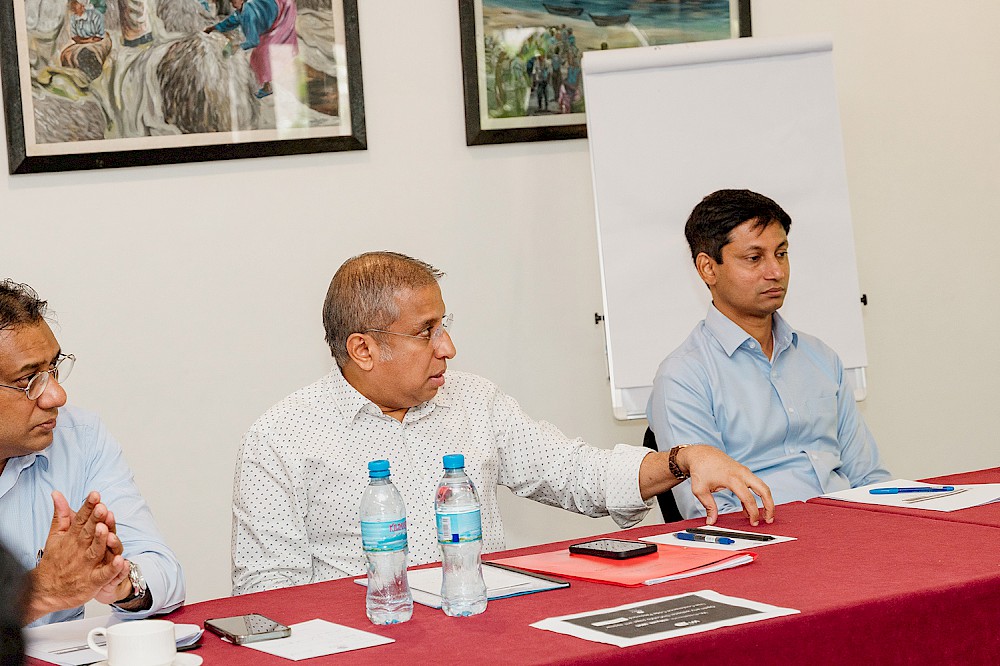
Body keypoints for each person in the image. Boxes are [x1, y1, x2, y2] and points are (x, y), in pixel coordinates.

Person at [232, 251, 774, 594]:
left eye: (444, 325)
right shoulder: (282, 439)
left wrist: (683, 459)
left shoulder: (474, 402)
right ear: (364, 349)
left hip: (484, 632)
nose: (448, 348)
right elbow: (268, 595)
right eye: (426, 332)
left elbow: (575, 472)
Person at [647, 190, 891, 519]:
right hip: (768, 543)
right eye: (754, 258)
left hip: (850, 530)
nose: (775, 271)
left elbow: (869, 477)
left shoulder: (821, 358)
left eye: (781, 253)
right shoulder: (683, 377)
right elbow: (713, 513)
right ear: (708, 268)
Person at [0, 280, 184, 626]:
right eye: (29, 380)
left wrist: (122, 581)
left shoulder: (78, 437)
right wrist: (39, 592)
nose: (57, 396)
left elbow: (163, 568)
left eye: (52, 369)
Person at [204, 0, 298, 99]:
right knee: (258, 55)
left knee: (263, 52)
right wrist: (212, 28)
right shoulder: (240, 12)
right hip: (274, 11)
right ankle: (267, 84)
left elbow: (253, 41)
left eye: (235, 0)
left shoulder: (249, 14)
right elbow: (229, 23)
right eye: (231, 1)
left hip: (283, 12)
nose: (232, 3)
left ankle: (270, 85)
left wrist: (237, 47)